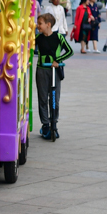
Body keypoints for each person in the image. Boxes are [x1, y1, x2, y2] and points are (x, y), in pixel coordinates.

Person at [34, 12, 73, 141]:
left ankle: (54, 123)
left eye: (40, 23)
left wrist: (58, 61)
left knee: (54, 99)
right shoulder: (37, 38)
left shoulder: (58, 37)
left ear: (48, 25)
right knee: (43, 98)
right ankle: (45, 125)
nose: (37, 25)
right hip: (42, 70)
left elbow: (70, 51)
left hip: (54, 72)